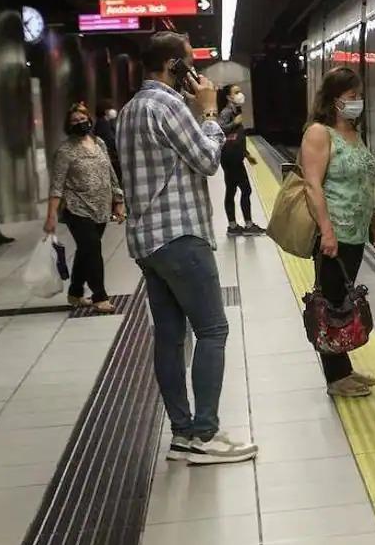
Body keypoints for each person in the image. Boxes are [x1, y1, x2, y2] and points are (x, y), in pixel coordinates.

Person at [117, 32, 257, 465]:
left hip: (147, 242)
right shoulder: (170, 106)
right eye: (190, 64)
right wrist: (211, 111)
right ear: (175, 67)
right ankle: (205, 434)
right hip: (180, 236)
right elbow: (208, 160)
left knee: (170, 338)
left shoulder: (129, 110)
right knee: (213, 330)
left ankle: (181, 434)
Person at [301, 66, 375, 399]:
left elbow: (362, 182)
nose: (358, 102)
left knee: (342, 302)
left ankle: (344, 370)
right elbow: (312, 185)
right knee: (330, 303)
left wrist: (374, 221)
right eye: (352, 97)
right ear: (334, 99)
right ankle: (336, 378)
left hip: (356, 232)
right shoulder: (319, 134)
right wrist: (326, 232)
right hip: (334, 233)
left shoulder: (353, 132)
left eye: (359, 96)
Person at [44, 103, 125, 312]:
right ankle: (100, 296)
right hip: (76, 208)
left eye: (82, 119)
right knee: (93, 249)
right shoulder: (65, 151)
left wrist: (118, 201)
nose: (80, 123)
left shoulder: (99, 143)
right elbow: (57, 184)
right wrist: (51, 215)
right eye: (74, 121)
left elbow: (110, 173)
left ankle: (75, 292)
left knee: (86, 250)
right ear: (68, 126)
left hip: (100, 207)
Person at [218, 84, 262, 236]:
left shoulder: (235, 110)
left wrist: (246, 154)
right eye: (236, 92)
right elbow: (220, 129)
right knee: (244, 190)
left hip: (234, 156)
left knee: (232, 190)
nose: (240, 94)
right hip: (231, 158)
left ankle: (234, 226)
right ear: (229, 97)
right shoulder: (227, 112)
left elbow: (236, 138)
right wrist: (234, 123)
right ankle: (246, 226)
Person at [93, 100, 122, 185]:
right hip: (109, 158)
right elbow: (110, 140)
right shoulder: (102, 123)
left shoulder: (106, 122)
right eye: (111, 108)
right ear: (105, 110)